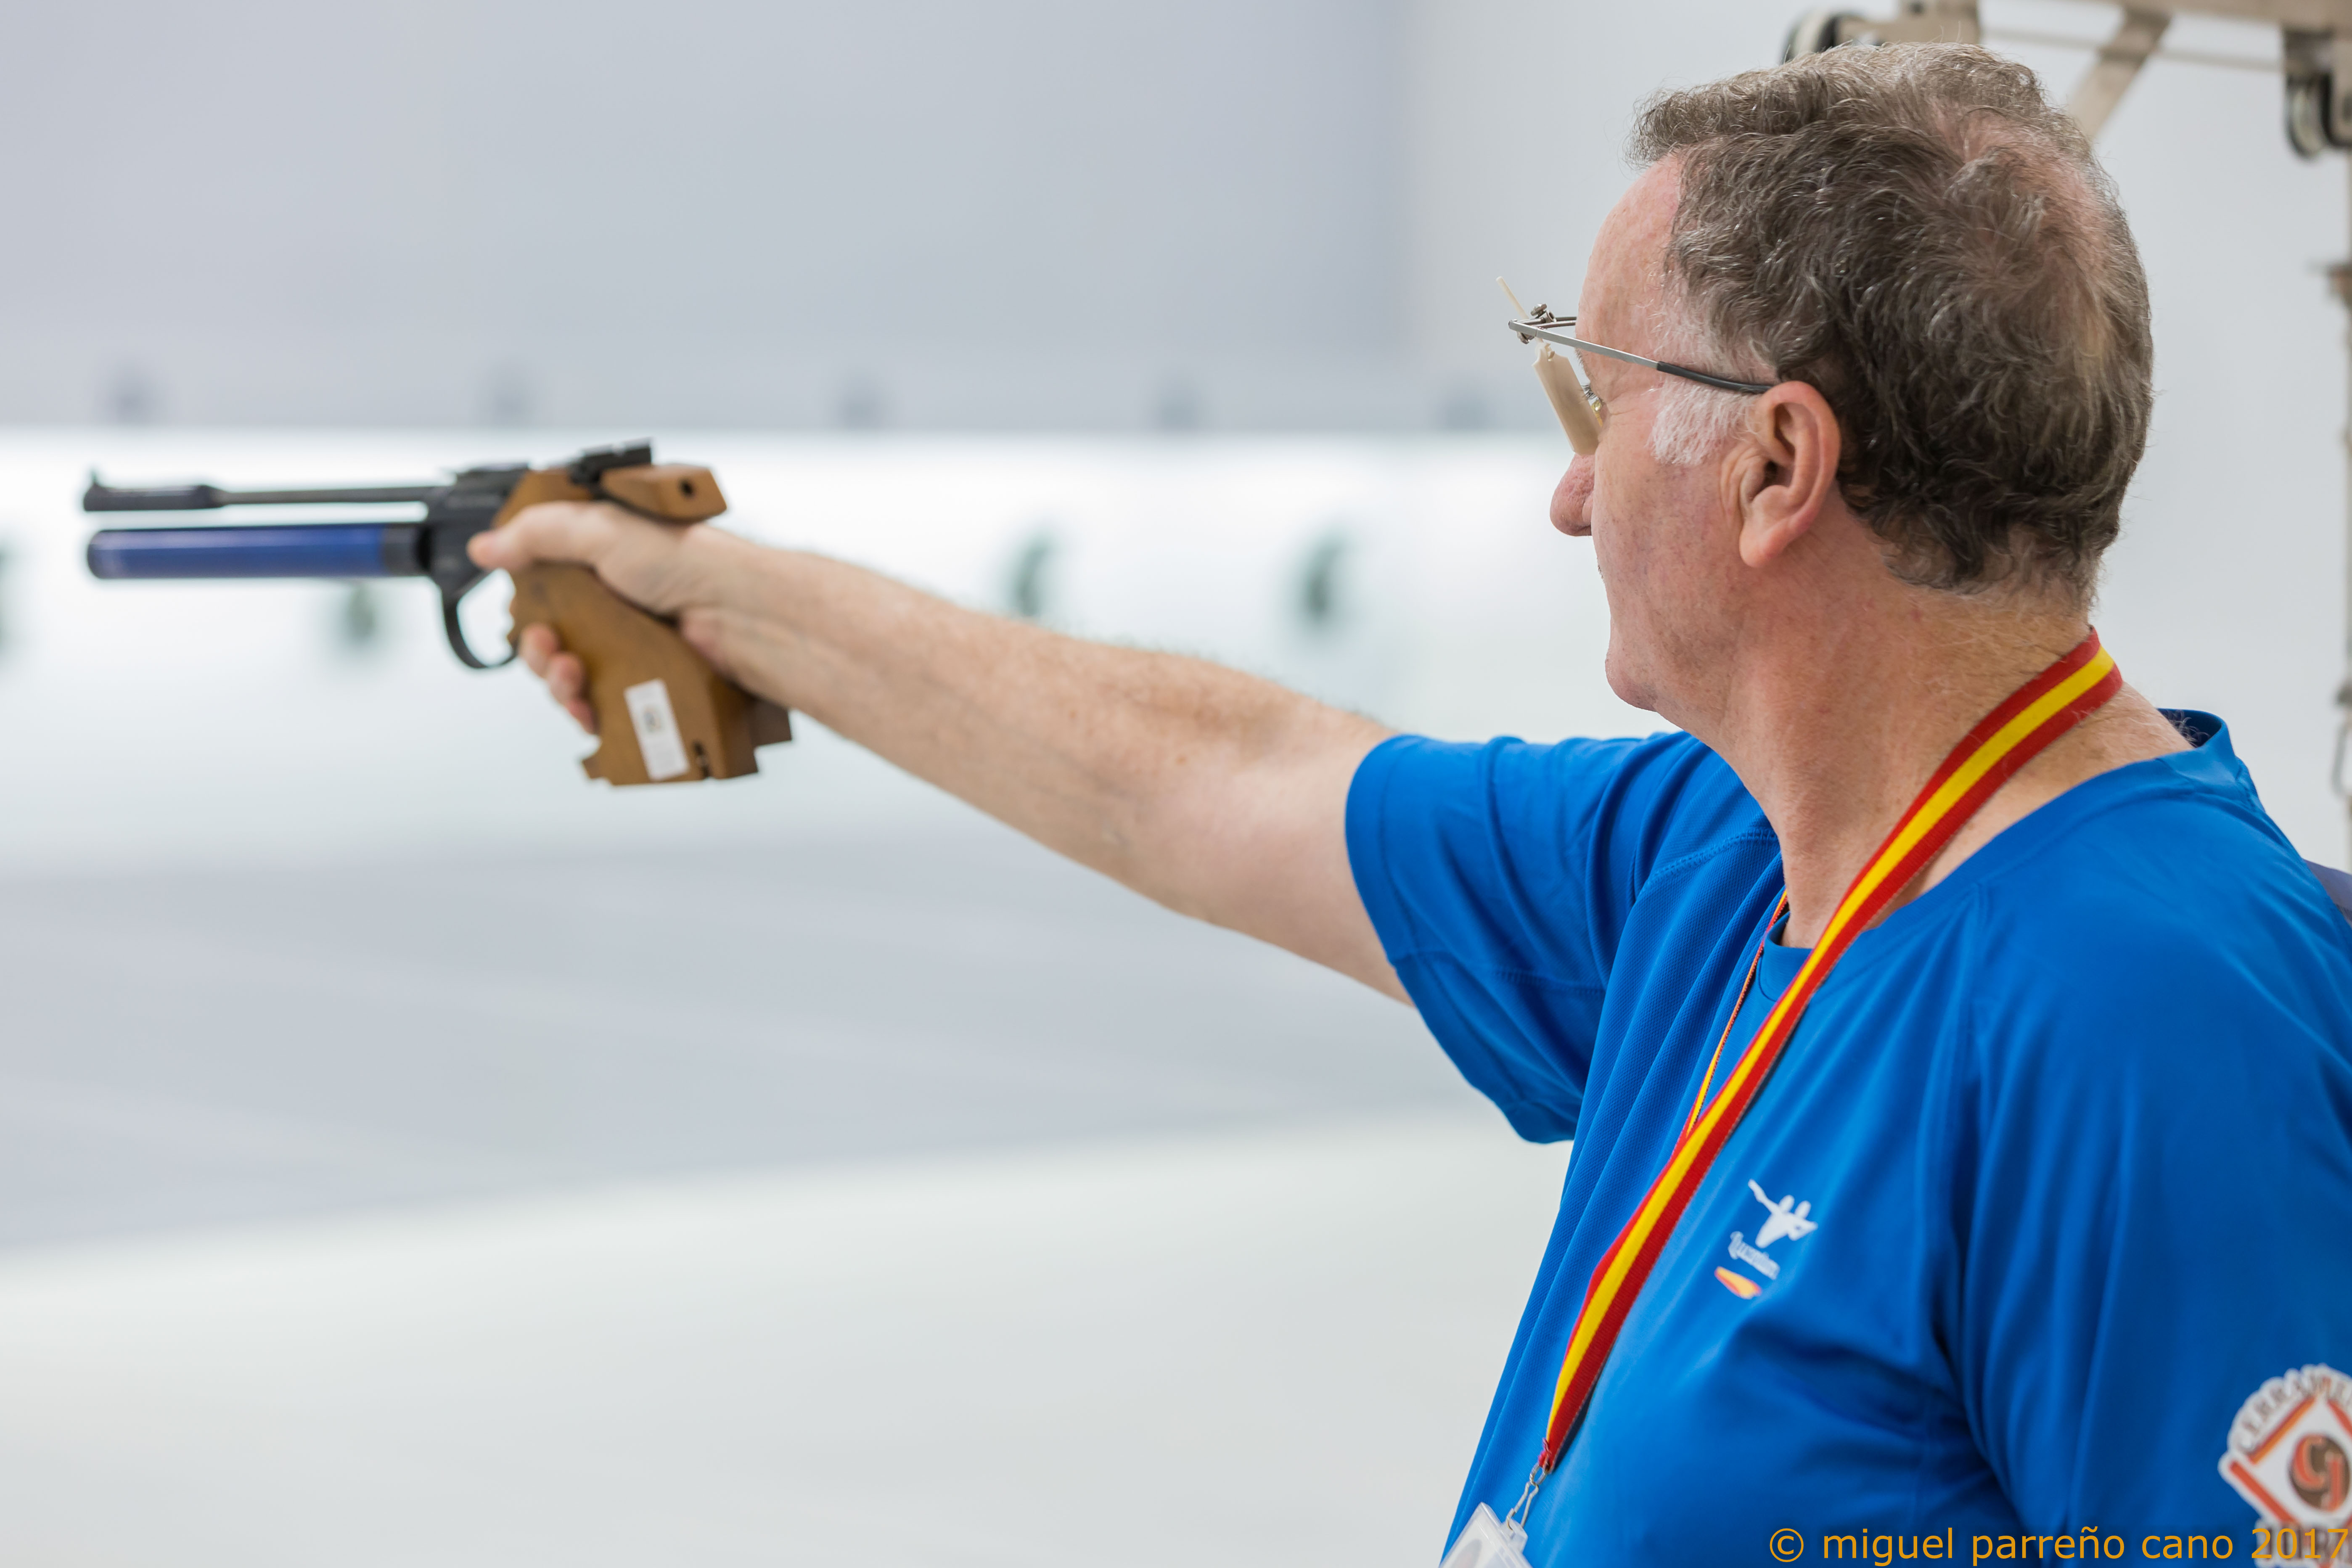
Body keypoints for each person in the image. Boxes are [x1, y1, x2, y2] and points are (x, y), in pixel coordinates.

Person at [471, 44, 2352, 1556]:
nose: (1568, 492)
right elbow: (1207, 778)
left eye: (1595, 399)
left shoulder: (2143, 1020)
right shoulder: (1718, 855)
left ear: (1777, 466)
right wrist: (720, 598)